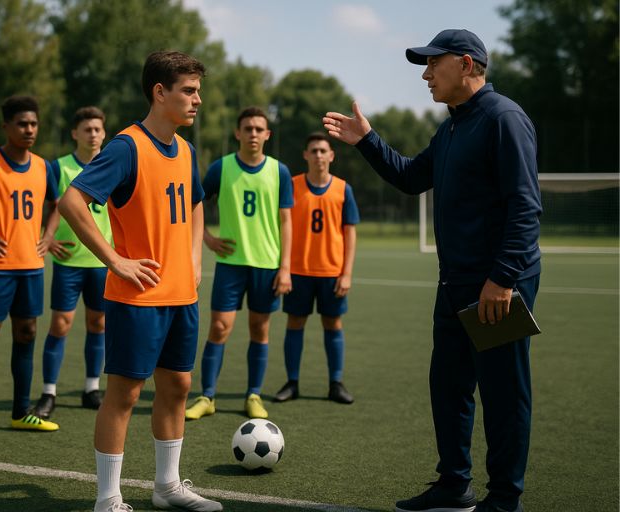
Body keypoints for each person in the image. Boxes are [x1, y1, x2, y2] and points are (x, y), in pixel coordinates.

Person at [323, 29, 541, 512]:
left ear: (465, 65)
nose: (425, 75)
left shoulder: (504, 118)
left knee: (504, 395)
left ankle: (504, 499)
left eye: (432, 64)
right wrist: (368, 141)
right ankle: (453, 484)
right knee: (449, 387)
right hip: (455, 283)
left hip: (498, 285)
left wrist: (502, 280)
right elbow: (409, 178)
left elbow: (525, 208)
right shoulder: (451, 128)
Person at [59, 50, 222, 512]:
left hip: (181, 296)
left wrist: (194, 262)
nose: (197, 100)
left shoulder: (187, 149)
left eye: (197, 91)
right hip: (137, 298)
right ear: (160, 92)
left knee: (177, 388)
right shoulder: (126, 146)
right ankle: (107, 498)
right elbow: (72, 203)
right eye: (189, 91)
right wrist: (115, 260)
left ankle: (166, 487)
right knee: (125, 394)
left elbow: (193, 205)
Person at [184, 106, 293, 421]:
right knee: (219, 328)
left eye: (259, 129)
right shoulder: (222, 167)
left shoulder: (279, 171)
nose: (254, 134)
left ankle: (253, 395)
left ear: (267, 135)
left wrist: (285, 267)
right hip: (230, 263)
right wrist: (206, 237)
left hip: (266, 264)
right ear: (238, 133)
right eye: (248, 129)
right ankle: (207, 396)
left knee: (260, 329)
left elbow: (287, 220)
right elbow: (196, 202)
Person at [0, 95, 60, 442]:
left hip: (31, 266)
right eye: (22, 123)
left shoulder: (44, 167)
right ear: (6, 126)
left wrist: (48, 237)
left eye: (33, 123)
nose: (29, 129)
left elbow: (59, 204)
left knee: (27, 334)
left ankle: (21, 412)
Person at [32, 106, 111, 420]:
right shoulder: (60, 167)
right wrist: (48, 238)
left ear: (104, 133)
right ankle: (48, 391)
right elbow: (53, 206)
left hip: (103, 262)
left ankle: (91, 388)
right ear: (75, 134)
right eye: (87, 129)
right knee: (60, 324)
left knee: (99, 324)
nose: (93, 134)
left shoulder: (113, 163)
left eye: (97, 129)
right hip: (70, 262)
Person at [273, 132, 360, 405]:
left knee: (332, 323)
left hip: (332, 272)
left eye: (324, 150)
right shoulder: (293, 185)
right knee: (295, 322)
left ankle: (336, 383)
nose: (319, 155)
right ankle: (292, 382)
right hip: (298, 271)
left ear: (332, 156)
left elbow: (350, 233)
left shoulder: (343, 189)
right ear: (306, 155)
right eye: (314, 150)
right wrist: (284, 268)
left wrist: (346, 273)